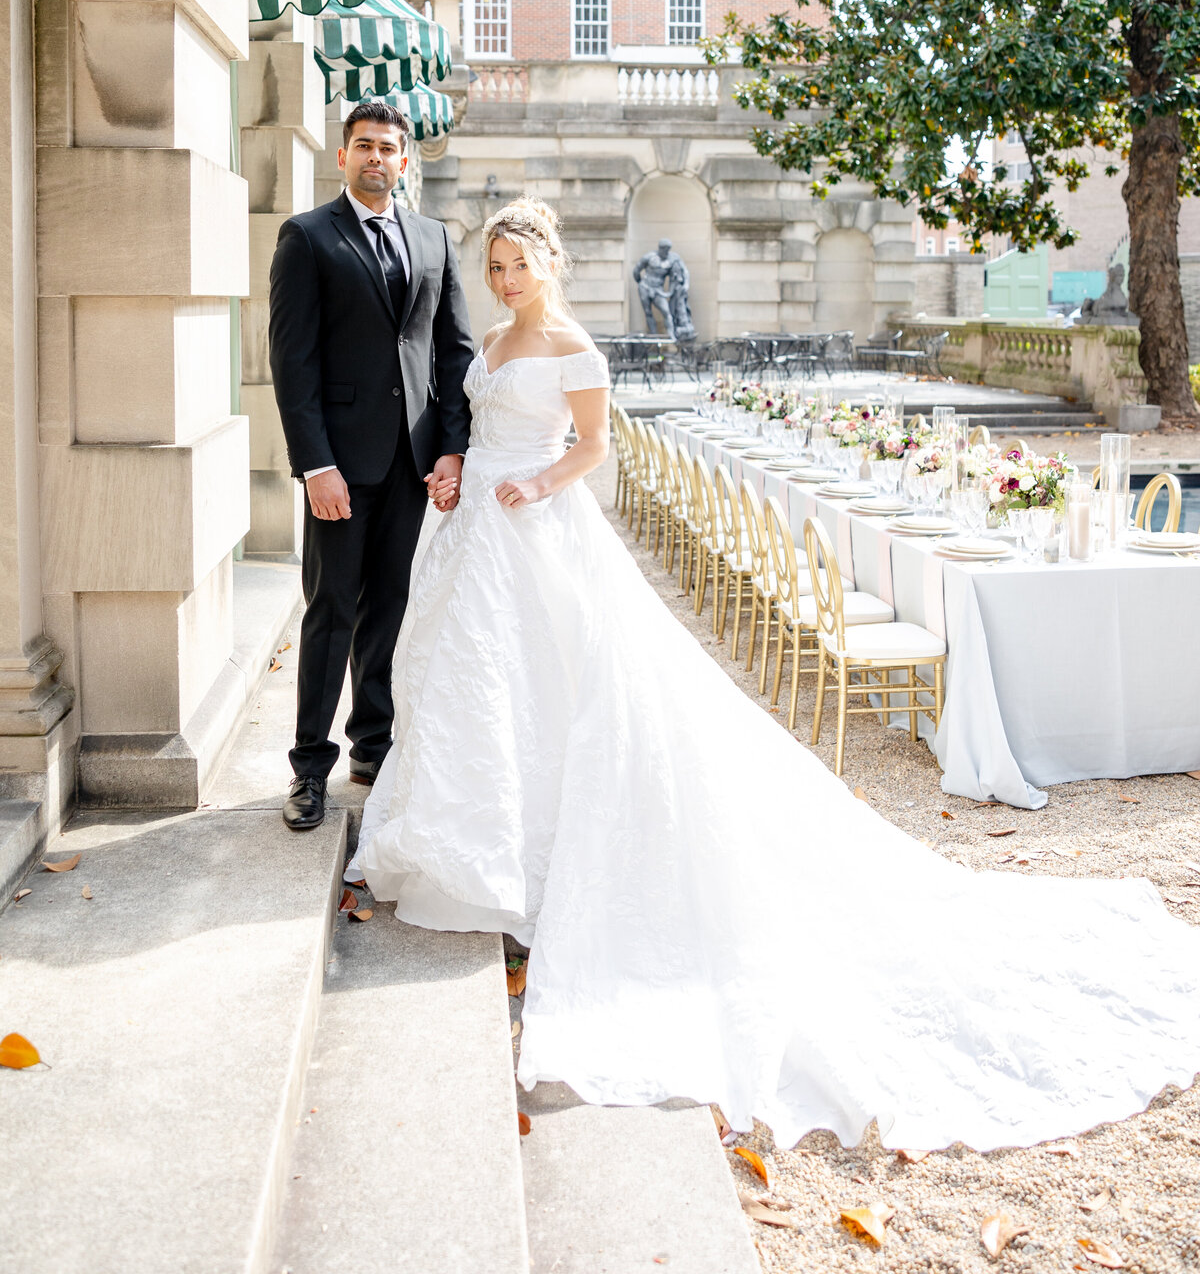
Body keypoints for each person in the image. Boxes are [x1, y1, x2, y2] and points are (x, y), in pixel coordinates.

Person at [348, 195, 1200, 1152]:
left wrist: (537, 485)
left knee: (559, 696)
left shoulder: (576, 349)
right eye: (494, 267)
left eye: (518, 265)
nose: (505, 280)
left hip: (541, 532)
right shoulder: (496, 342)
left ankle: (535, 863)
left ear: (551, 261)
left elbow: (593, 446)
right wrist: (457, 467)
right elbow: (471, 419)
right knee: (482, 690)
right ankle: (473, 848)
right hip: (478, 538)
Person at [268, 100, 473, 832]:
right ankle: (308, 768)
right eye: (363, 146)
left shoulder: (433, 239)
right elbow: (293, 365)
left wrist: (453, 447)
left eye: (388, 147)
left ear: (405, 160)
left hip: (412, 463)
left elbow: (454, 352)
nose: (376, 158)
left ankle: (372, 747)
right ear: (343, 156)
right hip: (341, 467)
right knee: (331, 614)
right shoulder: (307, 238)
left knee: (388, 607)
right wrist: (314, 464)